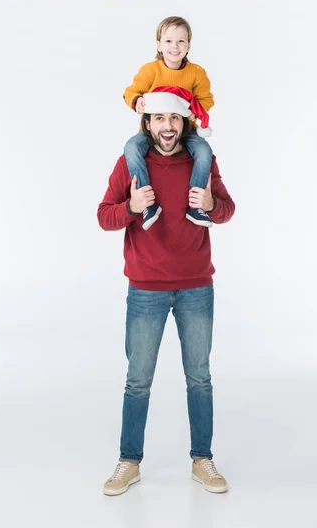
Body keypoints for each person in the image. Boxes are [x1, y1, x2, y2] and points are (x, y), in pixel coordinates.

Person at [97, 91, 235, 496]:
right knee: (137, 381)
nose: (167, 127)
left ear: (185, 123)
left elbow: (227, 209)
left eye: (174, 119)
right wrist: (131, 207)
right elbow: (104, 215)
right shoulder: (130, 163)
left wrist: (210, 203)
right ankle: (129, 462)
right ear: (147, 124)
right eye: (159, 119)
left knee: (200, 379)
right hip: (145, 289)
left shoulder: (201, 162)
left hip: (196, 285)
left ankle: (202, 460)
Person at [123, 15, 215, 230]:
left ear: (188, 46)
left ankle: (195, 206)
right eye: (168, 41)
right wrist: (137, 101)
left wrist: (195, 112)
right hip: (151, 132)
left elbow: (206, 99)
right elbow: (130, 92)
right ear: (159, 45)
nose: (175, 46)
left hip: (187, 131)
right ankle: (147, 204)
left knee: (204, 151)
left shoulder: (196, 73)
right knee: (131, 147)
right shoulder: (150, 71)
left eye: (181, 41)